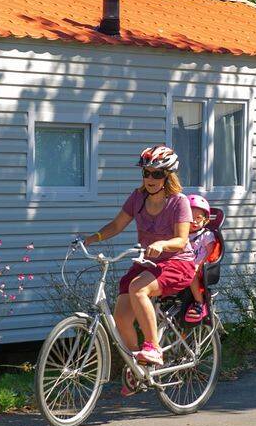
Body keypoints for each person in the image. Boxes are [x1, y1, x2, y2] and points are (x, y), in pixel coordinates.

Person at [83, 146, 195, 373]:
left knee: (137, 288)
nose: (150, 178)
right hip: (148, 263)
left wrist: (162, 244)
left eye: (157, 173)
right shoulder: (137, 198)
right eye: (146, 173)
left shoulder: (178, 202)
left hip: (177, 263)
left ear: (168, 176)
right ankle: (138, 367)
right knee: (121, 317)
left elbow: (181, 240)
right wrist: (93, 238)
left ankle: (153, 346)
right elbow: (116, 225)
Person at [183, 194, 218, 325]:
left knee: (191, 273)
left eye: (198, 218)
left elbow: (210, 253)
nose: (194, 221)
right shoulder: (182, 235)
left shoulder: (206, 235)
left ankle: (199, 302)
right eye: (190, 218)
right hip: (183, 265)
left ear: (205, 220)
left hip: (200, 267)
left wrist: (200, 264)